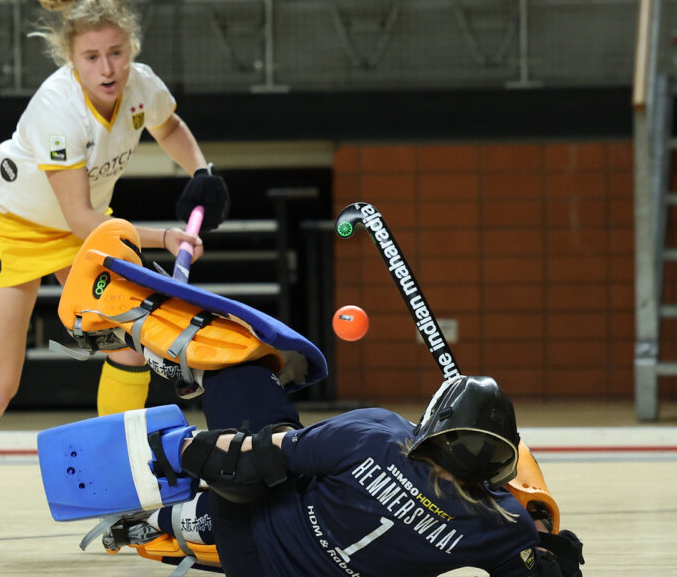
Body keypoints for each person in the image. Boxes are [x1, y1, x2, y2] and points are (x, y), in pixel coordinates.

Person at [46, 219, 585, 577]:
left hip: (252, 539)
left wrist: (184, 449)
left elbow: (253, 460)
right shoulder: (499, 526)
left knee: (245, 370)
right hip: (256, 568)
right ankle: (156, 526)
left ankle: (130, 321)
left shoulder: (377, 436)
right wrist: (541, 533)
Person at [0, 0, 231, 548]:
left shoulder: (140, 85)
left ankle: (117, 486)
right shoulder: (57, 109)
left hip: (87, 226)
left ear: (131, 48)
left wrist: (202, 172)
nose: (107, 68)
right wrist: (164, 236)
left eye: (116, 52)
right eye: (92, 57)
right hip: (18, 229)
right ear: (70, 58)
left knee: (129, 347)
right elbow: (80, 218)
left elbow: (169, 125)